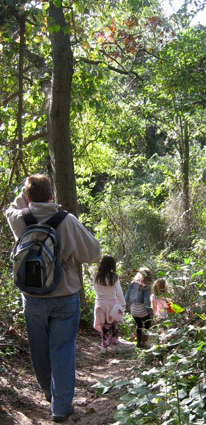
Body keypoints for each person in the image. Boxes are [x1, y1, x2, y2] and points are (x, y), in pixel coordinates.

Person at [6, 174, 101, 423]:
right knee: (63, 349)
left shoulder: (20, 218)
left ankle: (48, 392)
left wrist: (25, 196)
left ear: (27, 196)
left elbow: (11, 208)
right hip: (65, 296)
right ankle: (60, 407)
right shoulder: (66, 220)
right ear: (52, 195)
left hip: (32, 297)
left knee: (39, 347)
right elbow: (94, 253)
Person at [93, 255, 126, 354]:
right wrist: (122, 304)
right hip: (112, 302)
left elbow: (95, 289)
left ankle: (104, 346)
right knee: (114, 324)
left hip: (100, 303)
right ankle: (115, 345)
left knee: (104, 325)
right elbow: (119, 293)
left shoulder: (96, 276)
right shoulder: (114, 277)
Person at [125, 267, 153, 348]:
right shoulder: (146, 286)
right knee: (147, 324)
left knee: (139, 325)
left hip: (134, 310)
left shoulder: (133, 283)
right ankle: (144, 342)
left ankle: (138, 343)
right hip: (142, 310)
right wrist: (150, 312)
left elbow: (127, 296)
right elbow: (146, 301)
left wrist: (127, 306)